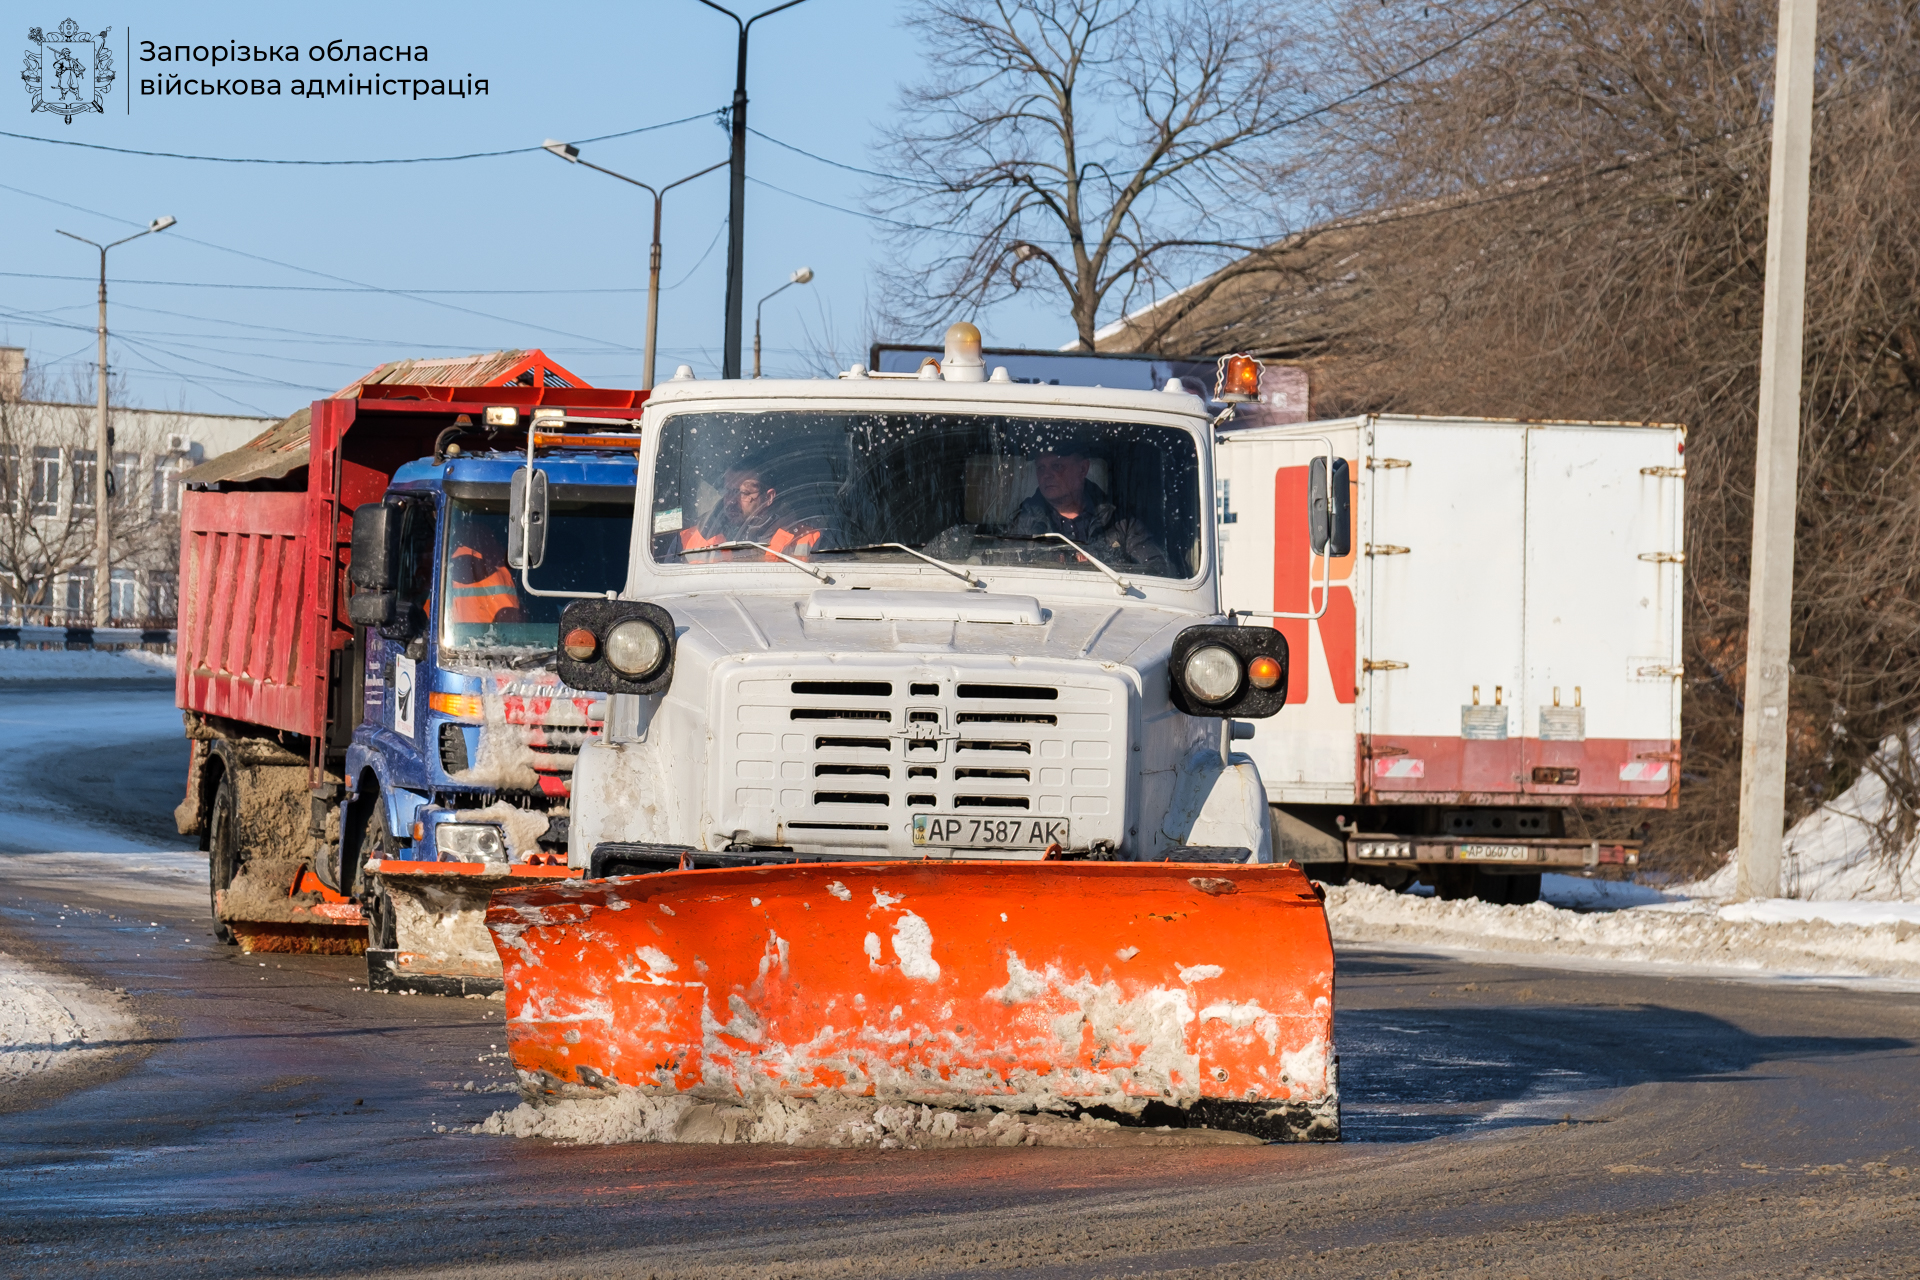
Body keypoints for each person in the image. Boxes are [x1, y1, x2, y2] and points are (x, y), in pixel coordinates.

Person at [1002, 445, 1171, 576]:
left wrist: (1100, 560)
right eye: (1041, 468)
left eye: (1057, 466)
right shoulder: (1024, 523)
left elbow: (1160, 570)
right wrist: (1048, 561)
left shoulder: (1119, 522)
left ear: (1082, 469)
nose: (1047, 475)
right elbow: (1004, 569)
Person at [679, 463, 822, 559]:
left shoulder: (805, 539)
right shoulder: (692, 538)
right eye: (728, 491)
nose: (731, 501)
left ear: (768, 498)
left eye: (743, 493)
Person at [447, 523, 524, 625]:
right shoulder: (502, 574)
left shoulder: (442, 567)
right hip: (499, 634)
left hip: (455, 634)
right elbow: (516, 624)